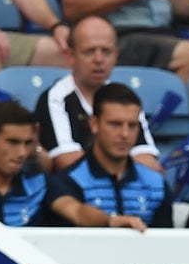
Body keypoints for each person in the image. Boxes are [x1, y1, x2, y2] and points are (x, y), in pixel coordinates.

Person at [34, 15, 160, 170]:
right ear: (70, 55)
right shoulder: (55, 98)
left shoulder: (125, 97)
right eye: (89, 51)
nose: (99, 59)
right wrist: (121, 171)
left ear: (116, 56)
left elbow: (148, 160)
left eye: (106, 52)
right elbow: (67, 162)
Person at [43, 83, 165, 228]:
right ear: (94, 124)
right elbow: (78, 212)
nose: (125, 134)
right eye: (115, 124)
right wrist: (110, 221)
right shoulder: (67, 181)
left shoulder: (157, 184)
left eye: (132, 125)